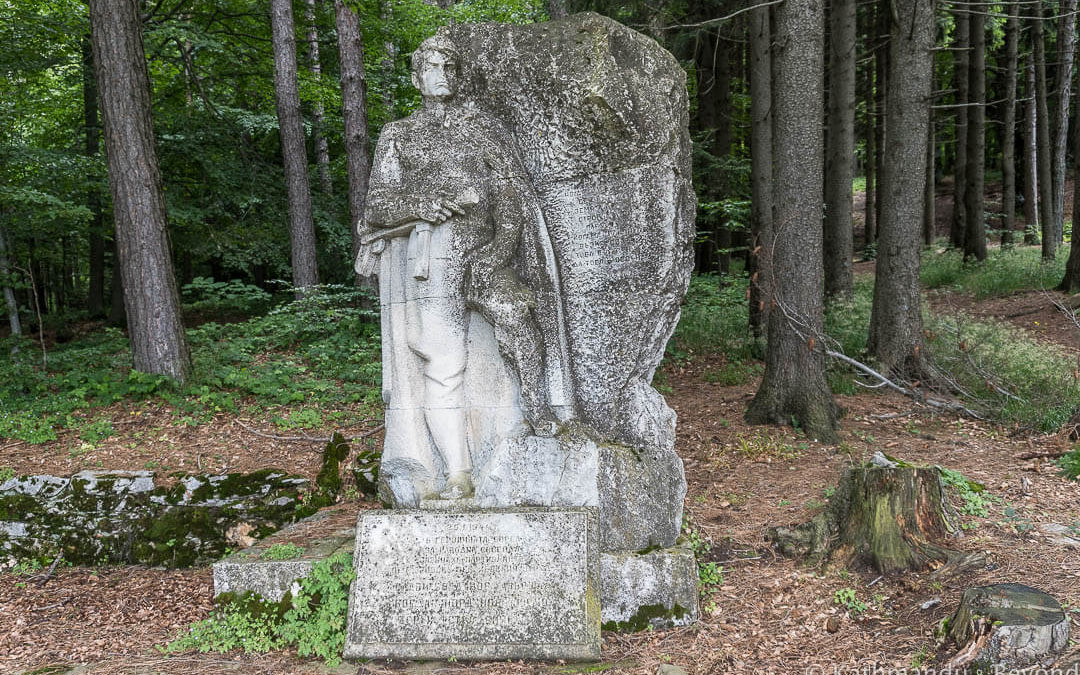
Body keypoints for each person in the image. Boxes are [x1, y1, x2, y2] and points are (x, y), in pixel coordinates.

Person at [358, 35, 562, 501]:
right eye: (432, 66)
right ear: (416, 77)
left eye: (449, 66)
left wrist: (499, 250)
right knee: (443, 362)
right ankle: (457, 472)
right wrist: (421, 204)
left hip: (487, 252)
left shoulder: (482, 128)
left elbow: (511, 196)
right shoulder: (399, 134)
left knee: (517, 318)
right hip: (432, 259)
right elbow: (377, 205)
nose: (442, 74)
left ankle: (541, 414)